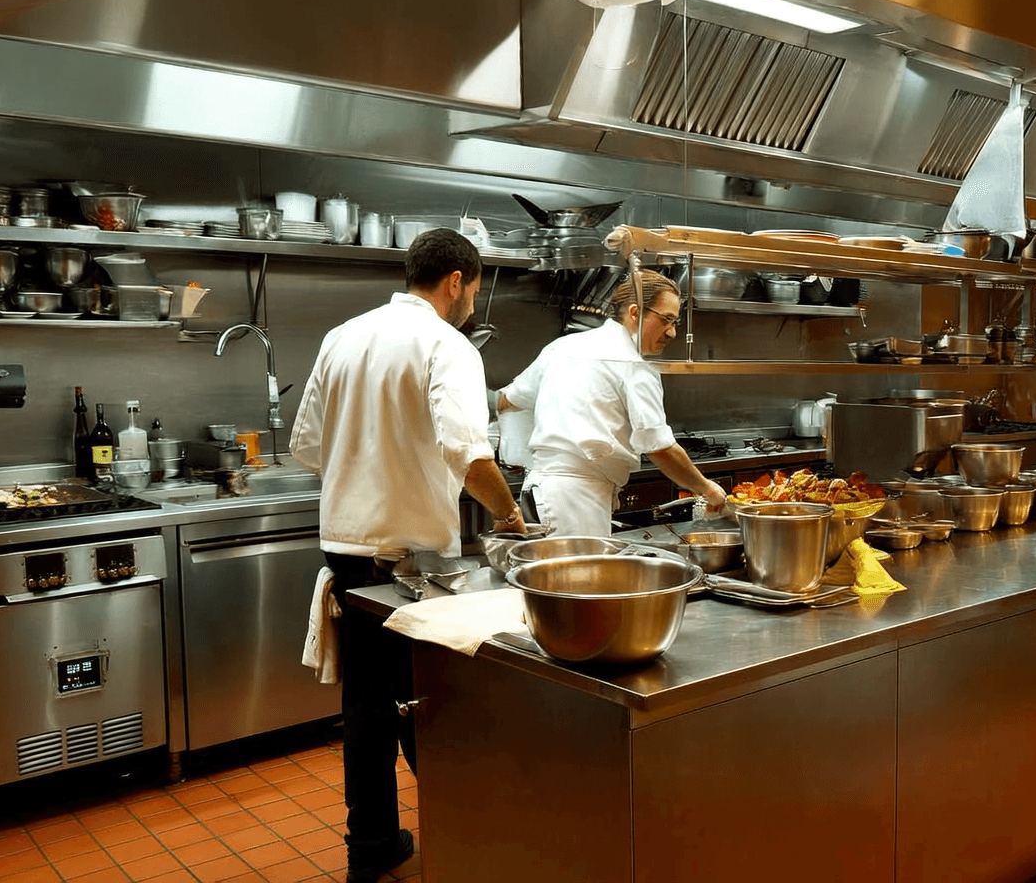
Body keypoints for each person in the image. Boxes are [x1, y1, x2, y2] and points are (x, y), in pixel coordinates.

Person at [290, 229, 526, 883]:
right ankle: (468, 835)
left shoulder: (343, 336)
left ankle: (371, 846)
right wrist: (509, 514)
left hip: (346, 547)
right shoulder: (447, 345)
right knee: (432, 702)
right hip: (414, 558)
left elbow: (306, 446)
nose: (472, 304)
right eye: (474, 292)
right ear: (456, 281)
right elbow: (468, 454)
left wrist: (365, 456)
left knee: (368, 703)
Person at [495, 269, 726, 536]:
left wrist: (516, 450)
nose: (672, 332)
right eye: (667, 320)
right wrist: (707, 489)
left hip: (539, 490)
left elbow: (507, 400)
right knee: (579, 577)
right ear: (635, 312)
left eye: (675, 323)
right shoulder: (631, 367)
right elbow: (660, 448)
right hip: (576, 500)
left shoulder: (562, 347)